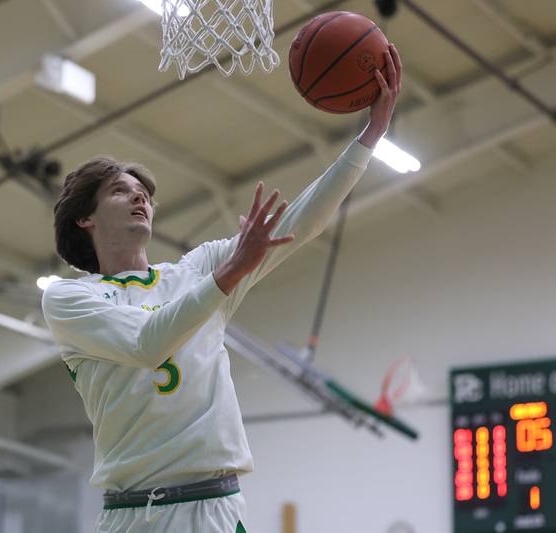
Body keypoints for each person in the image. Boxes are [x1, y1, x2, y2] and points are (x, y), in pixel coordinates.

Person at [42, 45, 402, 533]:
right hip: (130, 515)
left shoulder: (198, 267)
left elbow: (302, 221)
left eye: (143, 192)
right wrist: (226, 277)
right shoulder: (69, 299)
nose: (140, 197)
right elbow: (149, 342)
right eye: (121, 191)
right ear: (85, 217)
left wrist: (369, 137)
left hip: (210, 508)